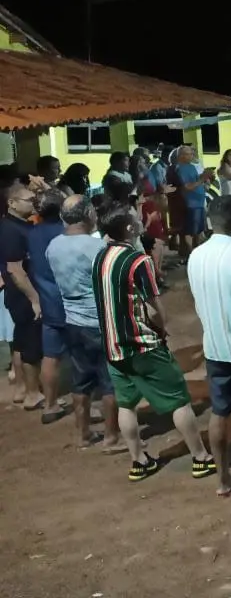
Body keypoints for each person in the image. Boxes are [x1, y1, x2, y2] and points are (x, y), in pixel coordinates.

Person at [91, 207, 216, 482]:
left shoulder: (99, 258)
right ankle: (201, 457)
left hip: (114, 346)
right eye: (134, 220)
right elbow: (154, 307)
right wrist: (162, 327)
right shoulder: (138, 261)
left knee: (127, 403)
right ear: (128, 229)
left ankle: (139, 461)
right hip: (143, 344)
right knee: (179, 400)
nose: (140, 221)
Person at [187, 196, 231, 497]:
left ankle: (223, 480)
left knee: (220, 412)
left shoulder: (195, 255)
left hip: (214, 346)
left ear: (208, 221)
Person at [47, 194, 123, 451]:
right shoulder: (97, 248)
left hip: (73, 321)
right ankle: (112, 436)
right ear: (88, 214)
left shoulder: (53, 246)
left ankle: (84, 435)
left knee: (81, 381)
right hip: (100, 321)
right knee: (109, 381)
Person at [2, 182, 44, 411]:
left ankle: (21, 389)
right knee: (31, 345)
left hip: (19, 294)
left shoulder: (18, 225)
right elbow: (15, 270)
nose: (33, 203)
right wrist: (34, 299)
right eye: (29, 200)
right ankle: (32, 393)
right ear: (12, 203)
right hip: (23, 295)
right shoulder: (12, 230)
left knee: (20, 342)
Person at [28, 189, 69, 425]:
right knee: (86, 357)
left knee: (50, 357)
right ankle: (93, 405)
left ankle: (50, 405)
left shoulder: (32, 234)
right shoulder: (67, 233)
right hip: (73, 303)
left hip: (48, 302)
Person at [174, 146, 212, 255]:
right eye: (189, 154)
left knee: (198, 230)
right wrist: (202, 179)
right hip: (190, 203)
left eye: (191, 153)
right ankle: (191, 253)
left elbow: (196, 180)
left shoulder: (191, 166)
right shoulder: (180, 168)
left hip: (199, 202)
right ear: (181, 155)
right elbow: (187, 187)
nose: (192, 156)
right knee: (190, 230)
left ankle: (197, 250)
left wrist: (205, 175)